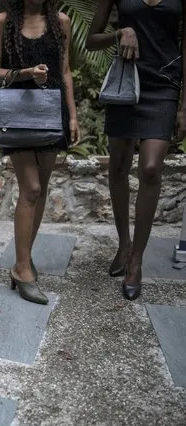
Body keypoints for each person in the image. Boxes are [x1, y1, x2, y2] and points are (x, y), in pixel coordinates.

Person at [86, 0, 184, 300]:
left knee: (152, 168)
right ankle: (124, 245)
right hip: (126, 80)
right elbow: (91, 40)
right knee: (117, 167)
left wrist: (184, 105)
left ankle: (137, 261)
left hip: (164, 84)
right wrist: (121, 33)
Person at [0, 0, 79, 304]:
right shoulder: (3, 22)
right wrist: (26, 73)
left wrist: (73, 115)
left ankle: (23, 257)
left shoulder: (61, 22)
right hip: (18, 116)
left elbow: (65, 72)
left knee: (40, 191)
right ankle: (23, 268)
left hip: (52, 115)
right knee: (32, 188)